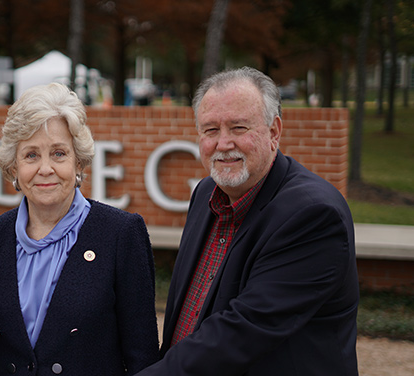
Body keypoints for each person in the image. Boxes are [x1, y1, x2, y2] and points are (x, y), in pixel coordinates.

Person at [136, 67, 359, 375]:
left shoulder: (313, 215)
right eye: (211, 130)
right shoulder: (206, 194)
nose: (224, 143)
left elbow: (244, 330)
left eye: (239, 128)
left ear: (274, 131)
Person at [0, 83, 160, 375]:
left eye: (58, 153)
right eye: (31, 155)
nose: (45, 169)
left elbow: (142, 358)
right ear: (13, 168)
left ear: (78, 162)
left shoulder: (120, 234)